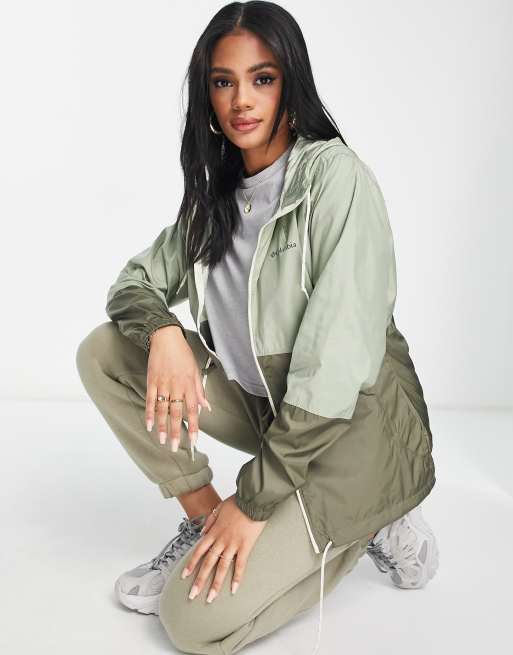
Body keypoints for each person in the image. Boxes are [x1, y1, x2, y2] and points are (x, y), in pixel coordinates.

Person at [75, 2, 439, 653]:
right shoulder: (214, 199)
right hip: (269, 412)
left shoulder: (334, 179)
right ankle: (203, 519)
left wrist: (253, 502)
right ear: (207, 93)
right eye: (223, 81)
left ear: (289, 82)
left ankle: (370, 519)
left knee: (190, 622)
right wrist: (163, 332)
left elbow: (331, 373)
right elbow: (132, 284)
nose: (241, 99)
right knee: (106, 351)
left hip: (346, 433)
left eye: (261, 78)